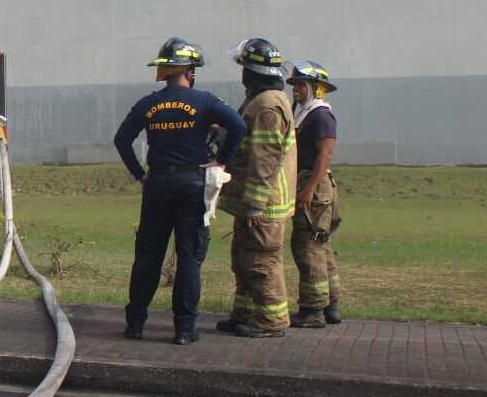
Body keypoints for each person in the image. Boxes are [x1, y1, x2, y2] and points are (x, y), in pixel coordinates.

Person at [114, 37, 246, 345]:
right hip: (192, 185)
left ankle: (135, 324)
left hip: (157, 184)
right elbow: (238, 127)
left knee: (148, 255)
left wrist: (139, 175)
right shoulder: (205, 101)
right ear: (190, 70)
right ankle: (184, 329)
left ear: (164, 70)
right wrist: (220, 161)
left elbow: (121, 140)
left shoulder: (148, 104)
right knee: (189, 256)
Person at [218, 37, 298, 338]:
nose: (241, 73)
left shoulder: (267, 105)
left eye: (242, 67)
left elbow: (264, 160)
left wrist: (253, 204)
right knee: (243, 259)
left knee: (261, 261)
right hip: (254, 201)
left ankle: (272, 320)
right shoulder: (261, 100)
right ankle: (246, 313)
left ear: (252, 71)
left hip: (264, 203)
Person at [286, 60, 343, 327]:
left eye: (300, 84)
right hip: (308, 182)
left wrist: (308, 189)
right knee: (321, 246)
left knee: (307, 246)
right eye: (294, 84)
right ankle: (331, 305)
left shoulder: (321, 114)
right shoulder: (305, 112)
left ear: (315, 88)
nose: (295, 88)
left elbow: (325, 154)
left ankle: (313, 310)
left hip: (314, 186)